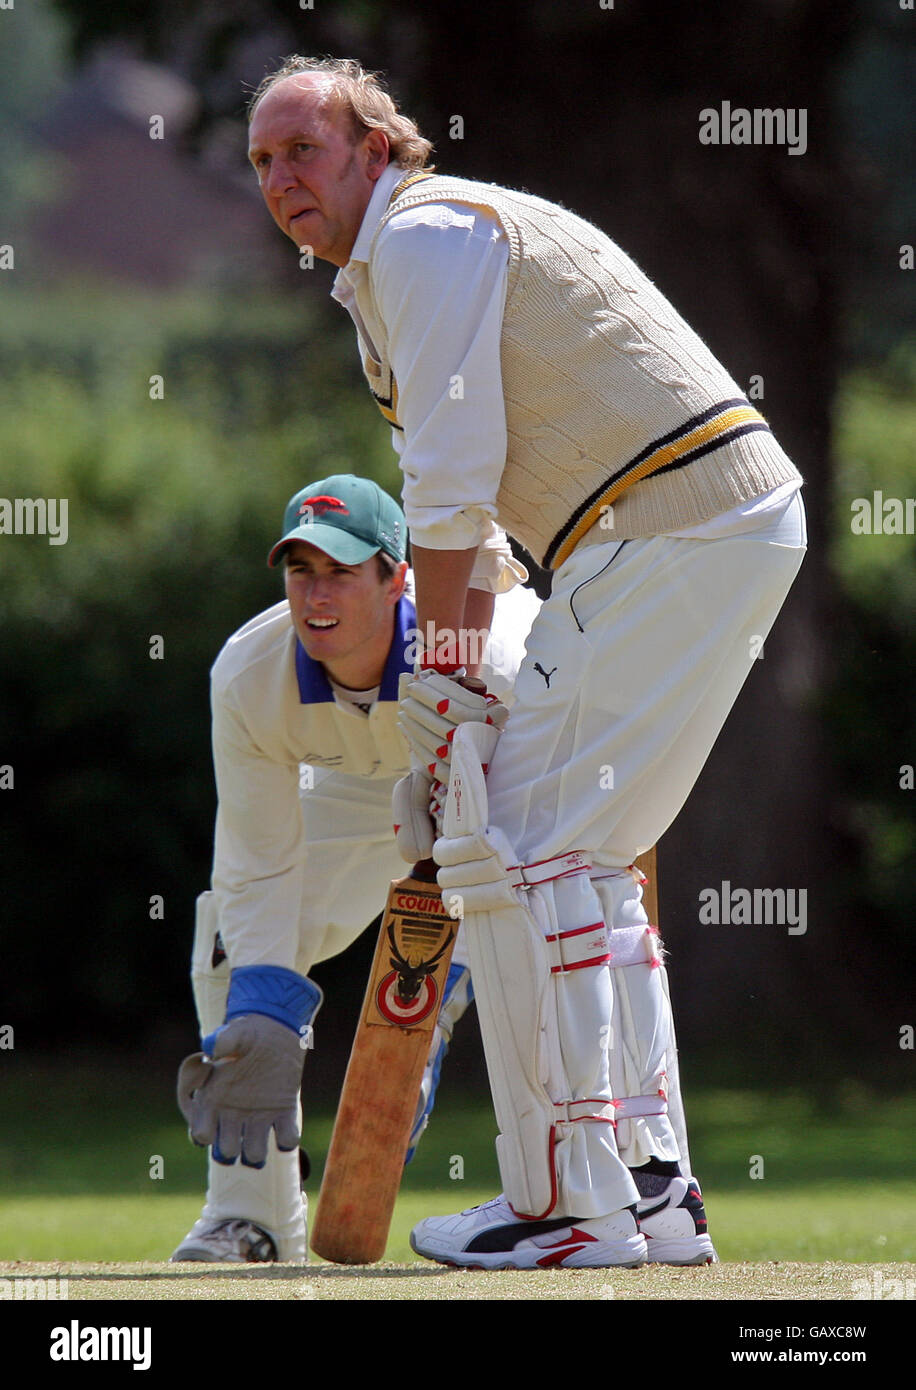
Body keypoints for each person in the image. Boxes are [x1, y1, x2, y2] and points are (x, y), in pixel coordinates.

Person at [244, 57, 808, 1270]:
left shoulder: (426, 239)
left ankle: (570, 1207)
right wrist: (458, 707)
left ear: (376, 148)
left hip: (667, 526)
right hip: (691, 531)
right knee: (578, 855)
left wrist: (439, 690)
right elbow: (485, 524)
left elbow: (446, 493)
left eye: (305, 148)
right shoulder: (392, 276)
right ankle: (651, 1193)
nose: (282, 179)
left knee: (513, 842)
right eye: (262, 162)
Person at [171, 473, 537, 1262]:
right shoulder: (249, 676)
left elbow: (540, 828)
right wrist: (263, 1017)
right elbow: (257, 862)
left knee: (545, 938)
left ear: (398, 576)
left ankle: (582, 1200)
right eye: (301, 571)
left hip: (490, 779)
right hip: (349, 783)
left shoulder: (494, 656)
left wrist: (446, 970)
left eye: (341, 570)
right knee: (228, 942)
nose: (316, 594)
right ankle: (254, 1220)